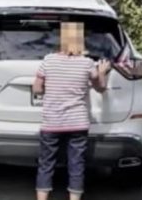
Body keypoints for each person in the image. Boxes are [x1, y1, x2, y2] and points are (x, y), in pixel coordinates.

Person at [32, 22, 112, 200]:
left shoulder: (48, 60)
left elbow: (37, 89)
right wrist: (102, 72)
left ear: (61, 41)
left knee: (46, 164)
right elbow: (100, 88)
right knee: (76, 165)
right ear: (80, 41)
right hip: (78, 123)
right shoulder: (87, 63)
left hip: (51, 122)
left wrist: (51, 88)